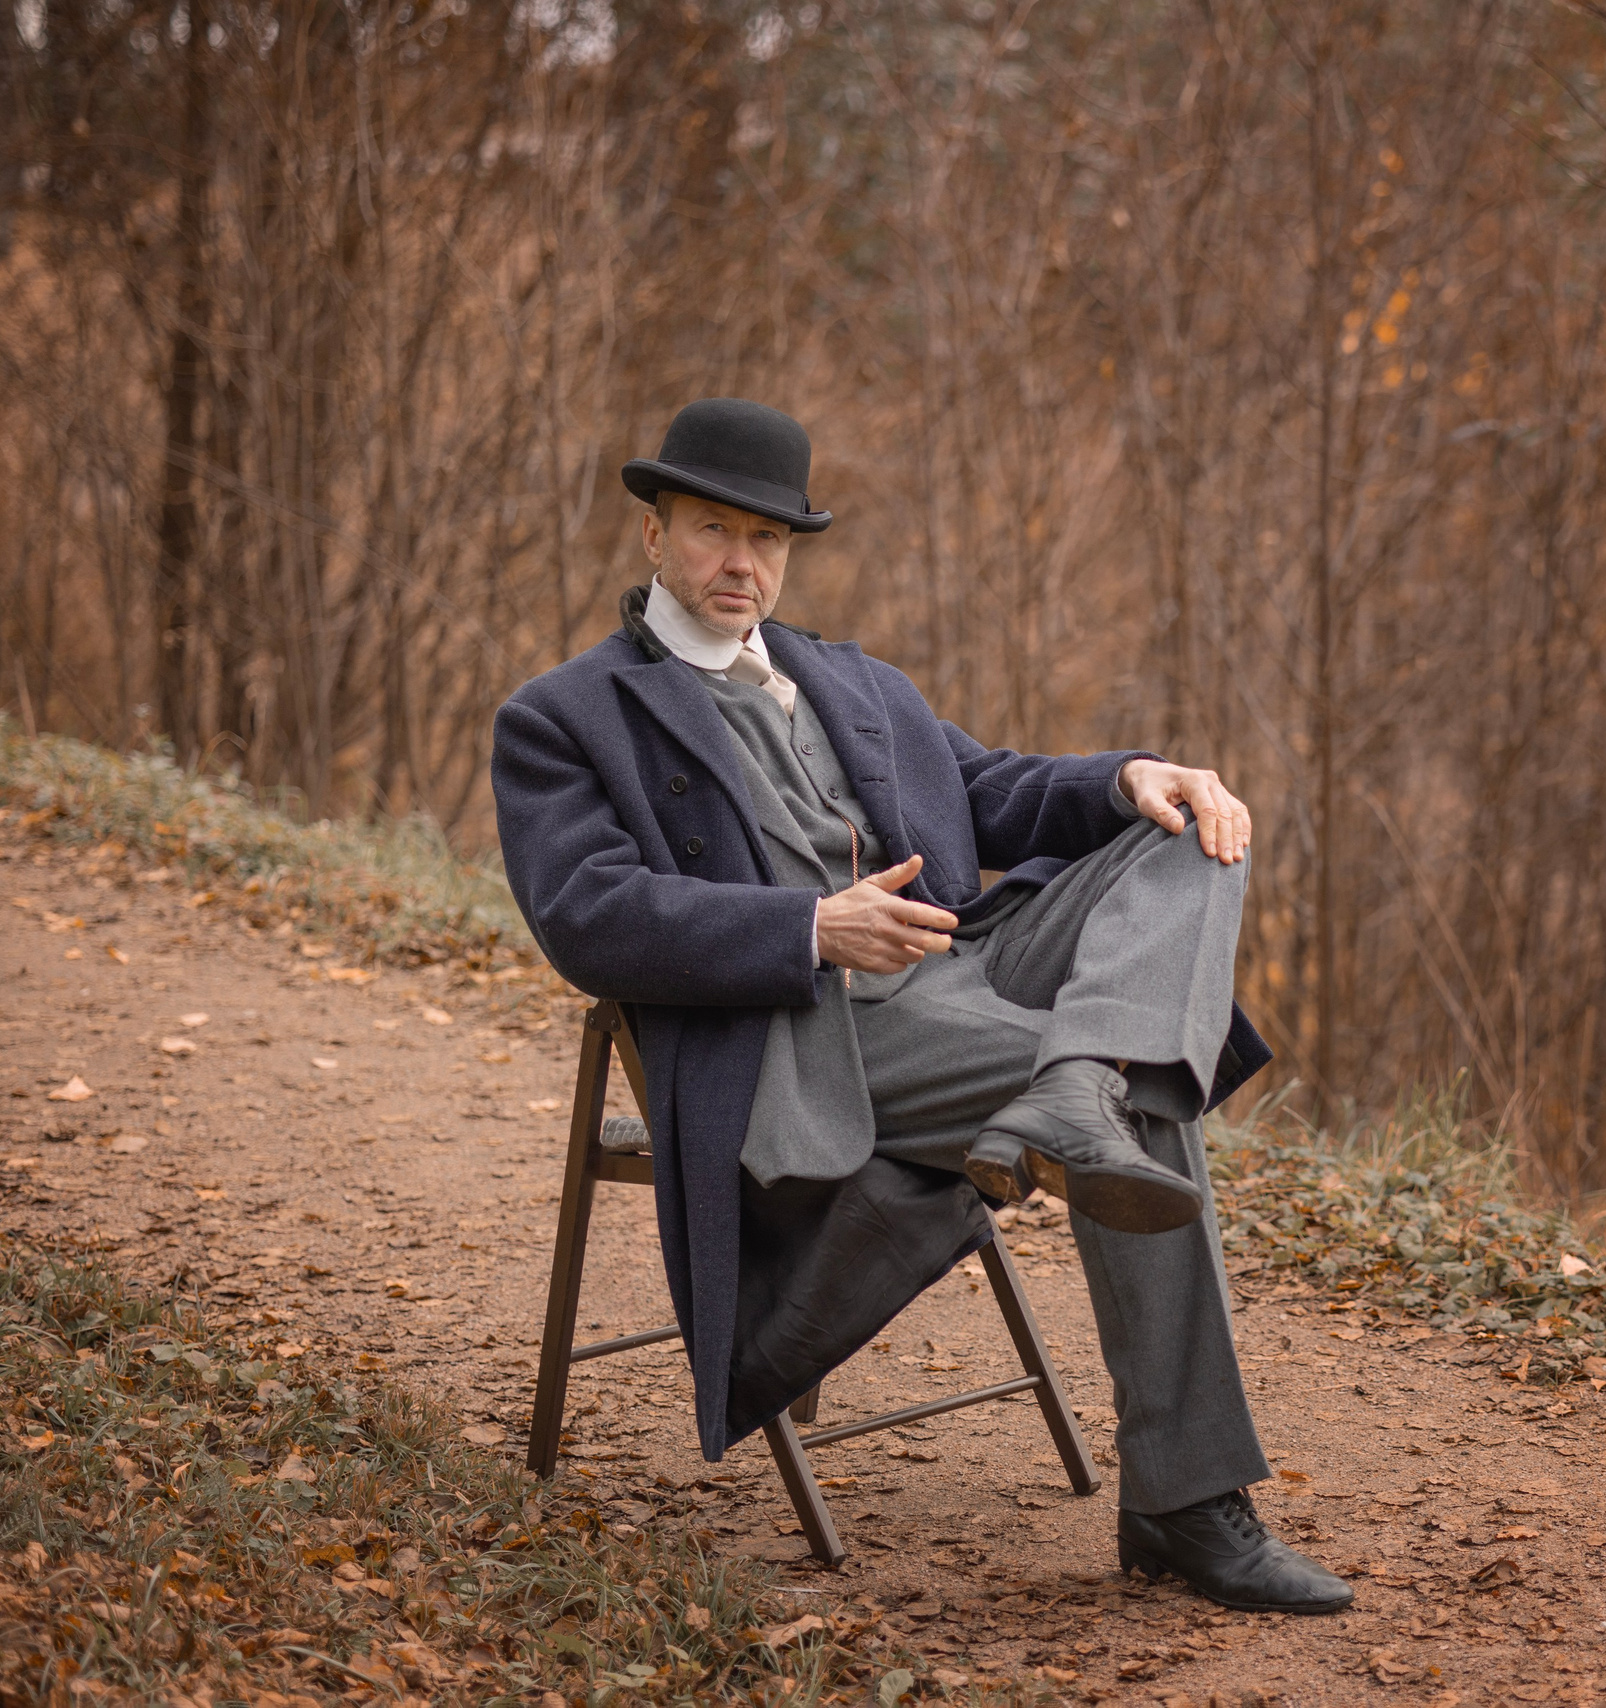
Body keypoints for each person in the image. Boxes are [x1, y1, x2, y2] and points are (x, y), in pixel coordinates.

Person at [490, 397, 1350, 1614]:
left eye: (770, 540)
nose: (744, 563)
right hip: (810, 1034)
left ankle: (1076, 1079)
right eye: (715, 530)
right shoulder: (567, 717)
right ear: (652, 533)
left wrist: (1129, 775)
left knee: (1188, 834)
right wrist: (808, 928)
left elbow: (990, 789)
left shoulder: (845, 677)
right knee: (1148, 1106)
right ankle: (1182, 1498)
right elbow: (587, 915)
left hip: (966, 967)